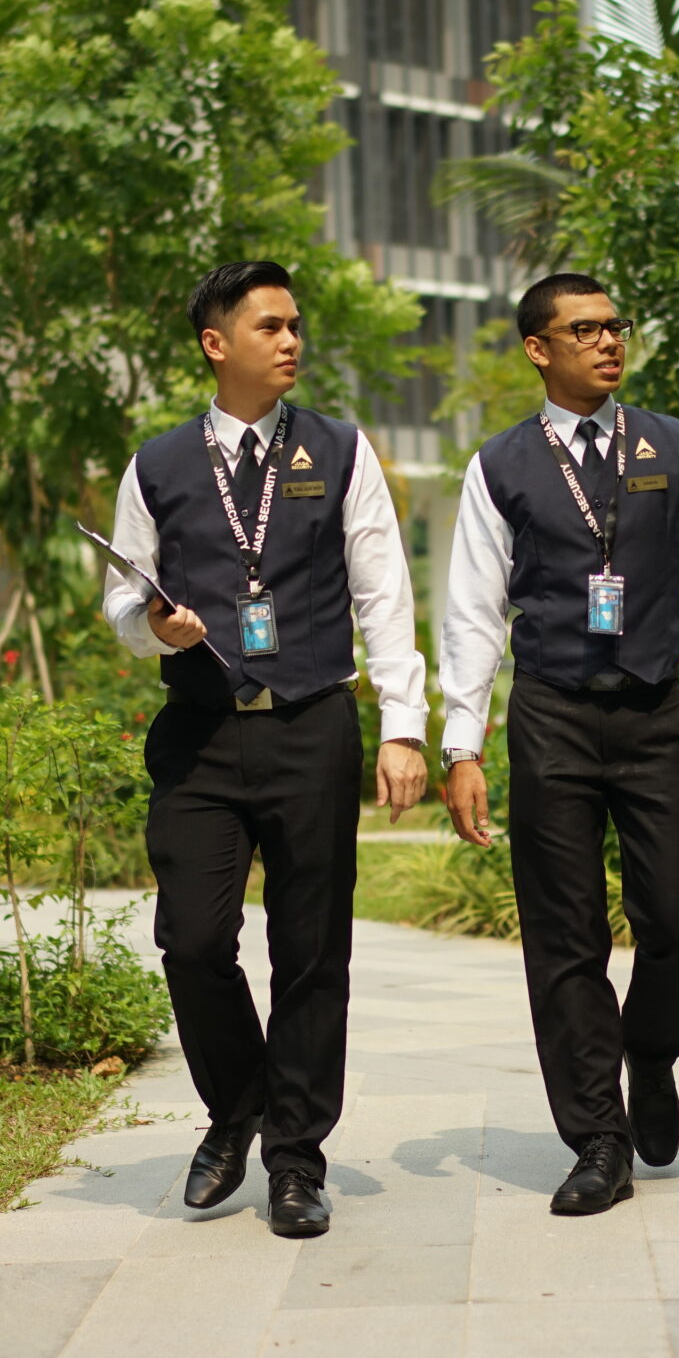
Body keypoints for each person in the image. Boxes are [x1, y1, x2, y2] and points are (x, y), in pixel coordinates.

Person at [438, 271, 679, 1216]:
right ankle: (597, 1137)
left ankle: (651, 1052)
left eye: (615, 326)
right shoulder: (499, 466)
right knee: (564, 935)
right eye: (583, 330)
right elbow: (472, 613)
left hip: (652, 710)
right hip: (549, 714)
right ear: (538, 349)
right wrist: (461, 743)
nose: (608, 341)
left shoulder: (676, 446)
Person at [102, 259, 428, 1239]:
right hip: (199, 733)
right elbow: (123, 600)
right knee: (193, 941)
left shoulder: (340, 450)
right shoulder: (157, 465)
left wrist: (403, 725)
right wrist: (152, 627)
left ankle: (295, 1159)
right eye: (270, 326)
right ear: (216, 344)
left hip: (311, 725)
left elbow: (383, 592)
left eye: (295, 325)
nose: (291, 341)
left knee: (312, 953)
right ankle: (238, 1105)